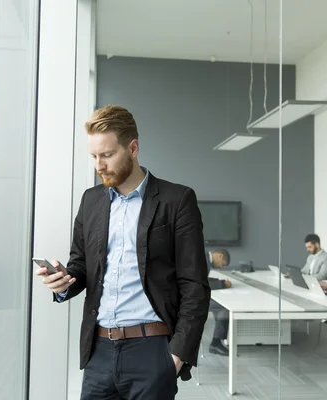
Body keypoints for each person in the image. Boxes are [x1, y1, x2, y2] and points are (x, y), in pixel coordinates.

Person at [37, 105, 211, 400]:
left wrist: (177, 356)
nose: (99, 165)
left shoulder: (177, 200)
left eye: (107, 155)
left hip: (152, 350)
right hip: (99, 352)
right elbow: (80, 265)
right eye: (94, 156)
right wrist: (64, 282)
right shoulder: (91, 201)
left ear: (133, 148)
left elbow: (195, 285)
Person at [206, 248, 232, 356]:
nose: (220, 267)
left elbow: (201, 278)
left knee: (219, 305)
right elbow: (199, 282)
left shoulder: (203, 257)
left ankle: (216, 341)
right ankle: (216, 343)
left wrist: (220, 282)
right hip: (188, 300)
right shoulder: (202, 259)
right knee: (224, 307)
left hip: (188, 296)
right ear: (220, 256)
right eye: (222, 264)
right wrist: (223, 284)